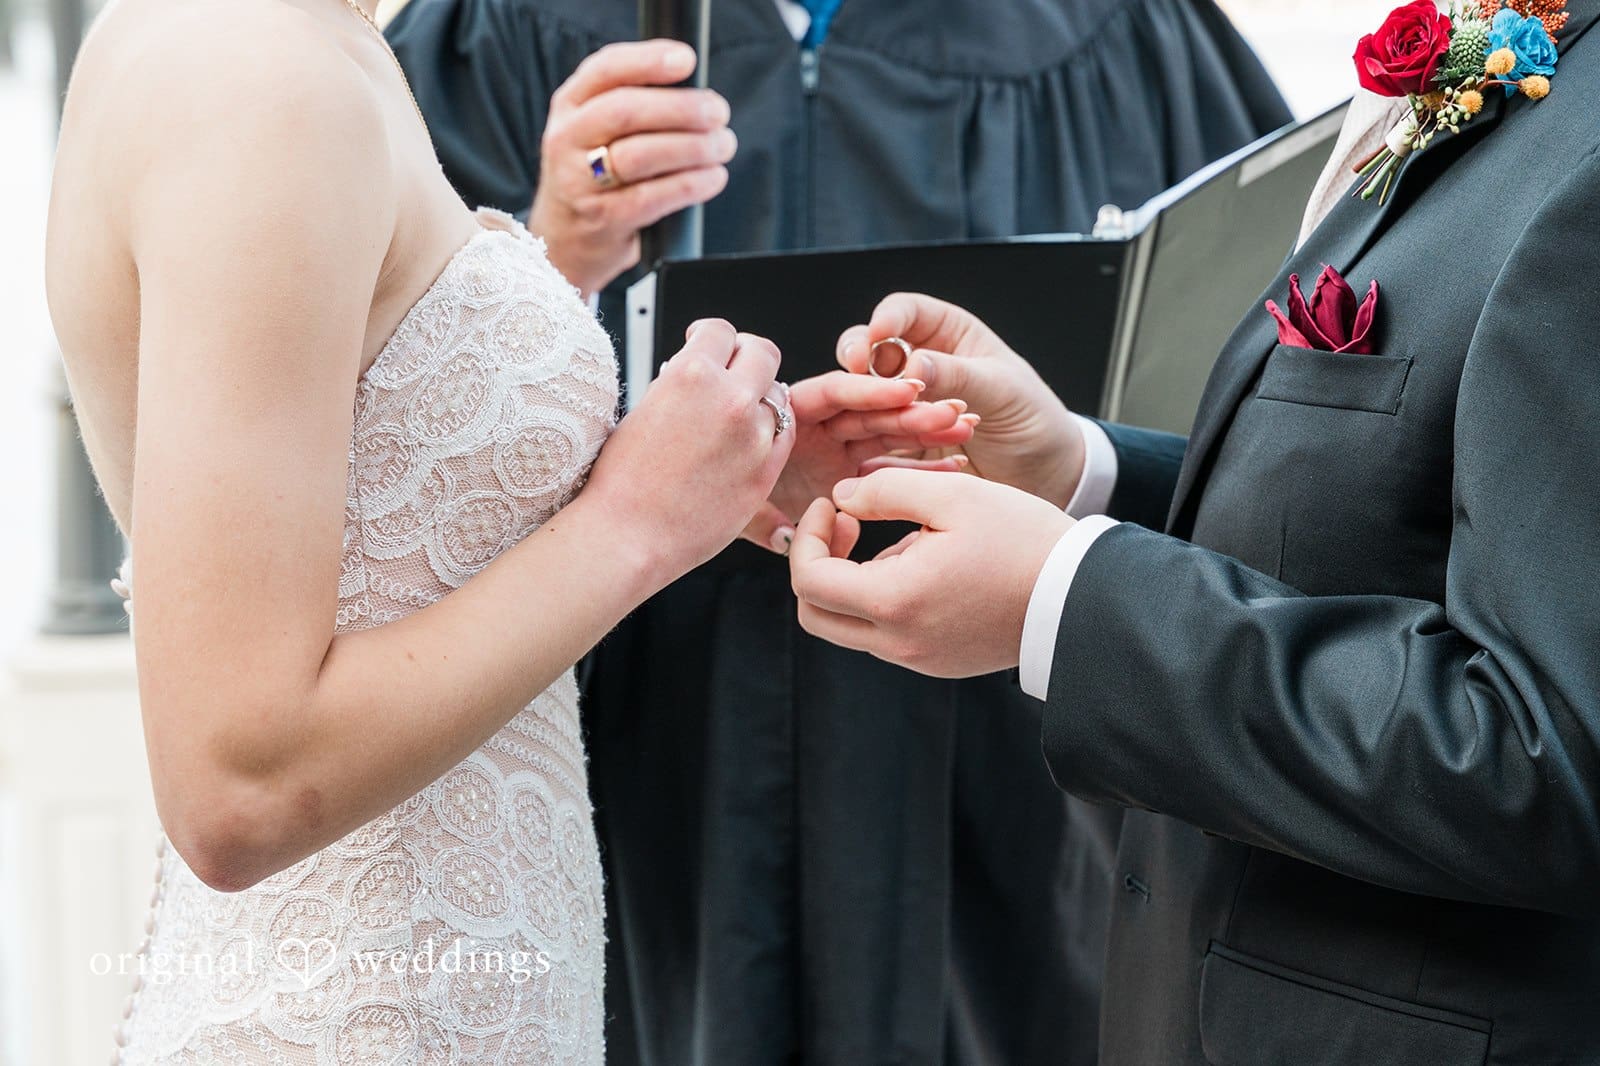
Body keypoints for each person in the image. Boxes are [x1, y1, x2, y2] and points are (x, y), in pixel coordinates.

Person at [44, 0, 974, 1059]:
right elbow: (238, 783)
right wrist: (635, 524)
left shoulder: (313, 45)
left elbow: (385, 496)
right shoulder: (254, 73)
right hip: (359, 1013)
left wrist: (715, 477)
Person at [385, 1, 1292, 1061]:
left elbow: (1249, 350)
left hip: (1016, 729)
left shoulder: (1109, 27)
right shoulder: (514, 29)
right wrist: (554, 246)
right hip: (656, 723)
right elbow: (377, 433)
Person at [789, 0, 1600, 1060]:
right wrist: (1080, 474)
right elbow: (1422, 520)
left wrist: (1066, 597)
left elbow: (1550, 754)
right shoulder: (1519, 41)